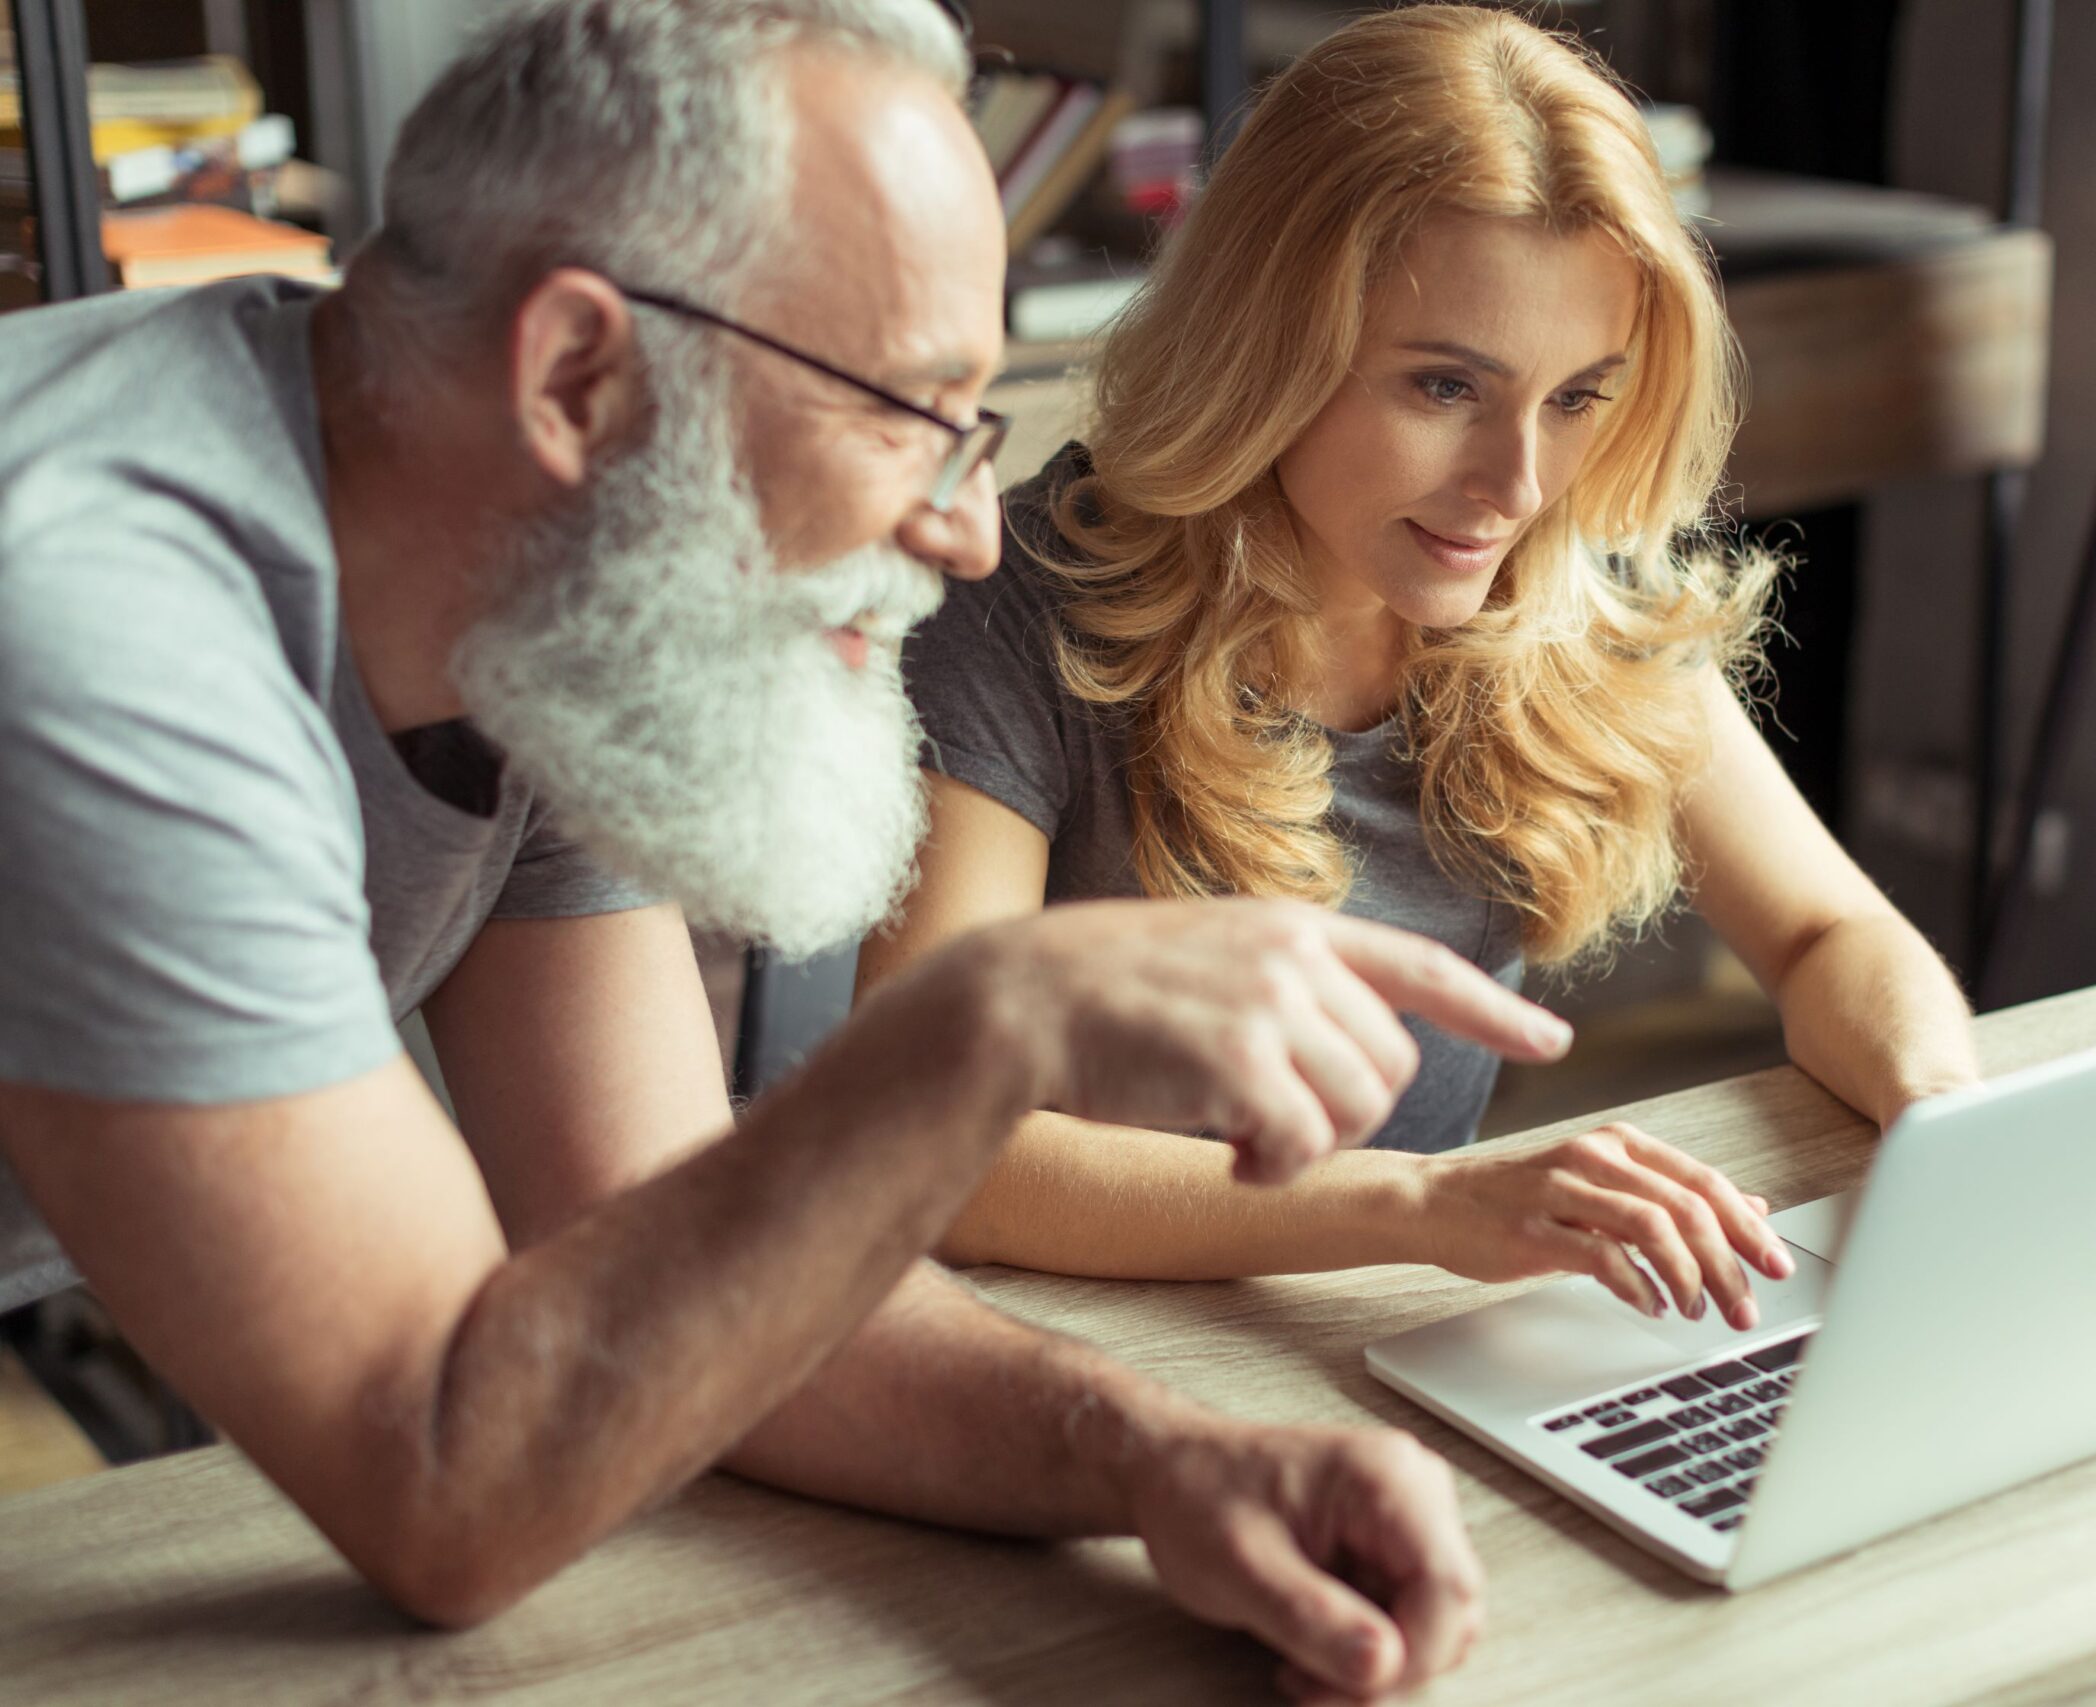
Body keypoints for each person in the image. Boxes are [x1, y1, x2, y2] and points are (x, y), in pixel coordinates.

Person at [0, 4, 1571, 1697]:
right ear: (580, 376)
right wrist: (981, 1030)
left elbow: (681, 1276)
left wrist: (1167, 1462)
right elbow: (445, 1479)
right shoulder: (98, 633)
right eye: (916, 410)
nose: (973, 533)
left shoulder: (540, 589)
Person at [869, 4, 1983, 1328]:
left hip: (1369, 1327)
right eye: (1445, 389)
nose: (1515, 487)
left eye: (1577, 398)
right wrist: (1416, 1210)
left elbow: (1828, 935)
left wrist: (1944, 1124)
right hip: (1055, 1343)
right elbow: (935, 1148)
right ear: (1270, 342)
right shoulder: (1025, 604)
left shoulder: (1557, 586)